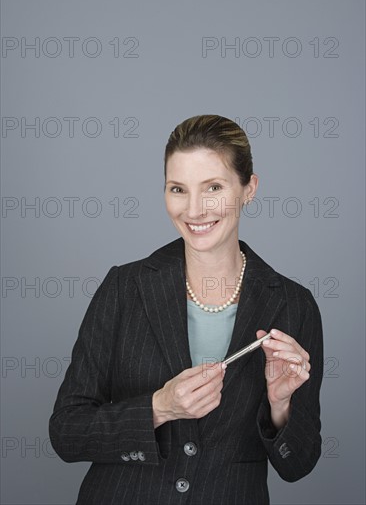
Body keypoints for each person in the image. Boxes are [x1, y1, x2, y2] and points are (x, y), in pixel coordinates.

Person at [49, 115, 324, 505]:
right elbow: (67, 432)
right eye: (178, 189)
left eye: (213, 187)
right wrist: (159, 407)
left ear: (249, 189)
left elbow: (298, 464)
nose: (194, 209)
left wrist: (281, 405)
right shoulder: (124, 288)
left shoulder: (295, 306)